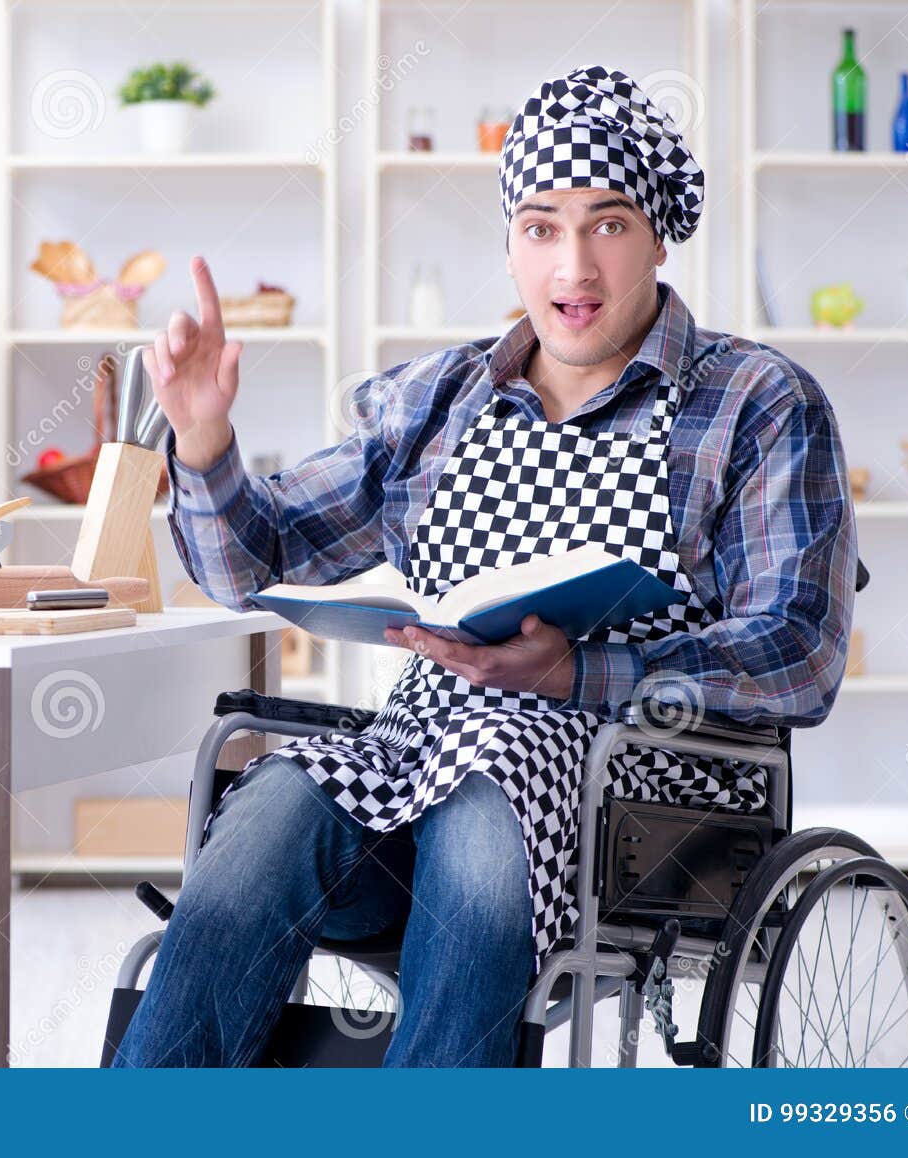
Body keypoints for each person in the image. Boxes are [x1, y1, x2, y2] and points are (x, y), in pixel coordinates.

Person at [109, 66, 858, 1068]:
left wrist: (573, 674)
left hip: (648, 805)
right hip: (414, 763)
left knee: (486, 791)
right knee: (269, 810)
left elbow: (795, 655)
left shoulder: (756, 402)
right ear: (509, 241)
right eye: (542, 227)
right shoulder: (436, 398)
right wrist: (202, 446)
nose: (574, 265)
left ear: (659, 236)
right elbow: (259, 560)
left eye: (609, 223)